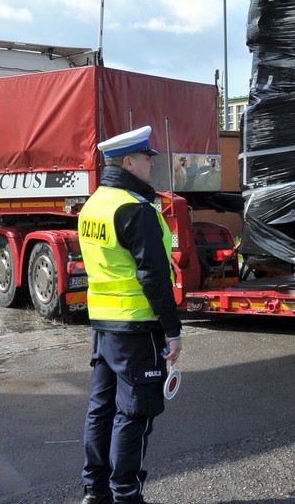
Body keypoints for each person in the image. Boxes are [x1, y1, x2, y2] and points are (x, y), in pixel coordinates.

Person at [78, 125, 182, 504]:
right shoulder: (135, 209)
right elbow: (154, 276)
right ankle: (127, 495)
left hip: (104, 324)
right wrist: (173, 330)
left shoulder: (95, 204)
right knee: (135, 414)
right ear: (128, 162)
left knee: (101, 409)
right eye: (146, 160)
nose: (150, 167)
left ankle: (95, 491)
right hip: (138, 324)